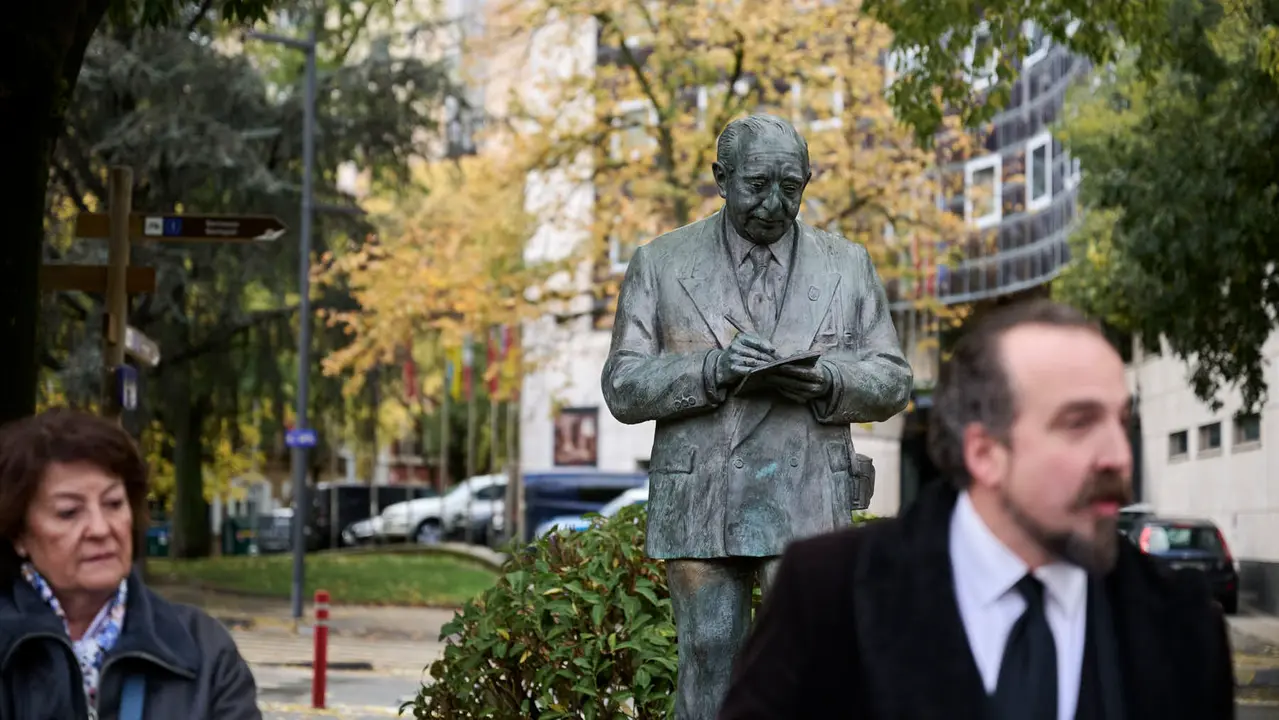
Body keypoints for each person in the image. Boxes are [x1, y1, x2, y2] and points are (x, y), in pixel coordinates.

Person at [717, 299, 1237, 719]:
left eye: (1120, 422)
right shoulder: (830, 592)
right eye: (1079, 423)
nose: (1118, 457)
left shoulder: (1183, 625)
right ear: (985, 453)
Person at [601, 113, 912, 719]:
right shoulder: (661, 263)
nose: (774, 203)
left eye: (791, 188)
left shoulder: (846, 265)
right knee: (709, 655)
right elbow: (623, 385)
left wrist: (828, 379)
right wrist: (711, 369)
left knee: (808, 659)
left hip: (806, 491)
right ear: (722, 179)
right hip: (702, 493)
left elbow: (894, 379)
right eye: (757, 185)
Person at [0, 409, 261, 720]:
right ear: (19, 534)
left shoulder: (205, 651)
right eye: (69, 512)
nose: (100, 529)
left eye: (113, 504)